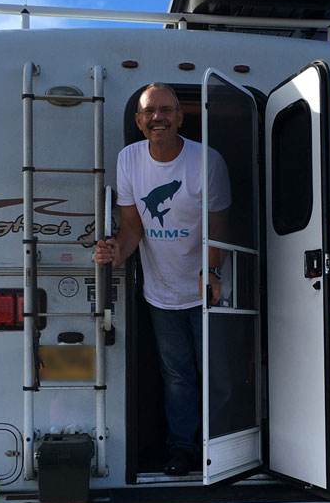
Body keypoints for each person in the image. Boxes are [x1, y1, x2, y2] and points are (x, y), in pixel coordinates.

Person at [95, 83, 231, 475]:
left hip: (209, 288)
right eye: (150, 112)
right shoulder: (129, 160)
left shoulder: (207, 161)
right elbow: (132, 227)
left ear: (180, 116)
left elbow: (219, 225)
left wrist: (214, 272)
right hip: (161, 293)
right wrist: (115, 251)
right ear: (139, 121)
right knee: (177, 378)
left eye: (167, 110)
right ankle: (184, 450)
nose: (159, 117)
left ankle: (223, 448)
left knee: (216, 373)